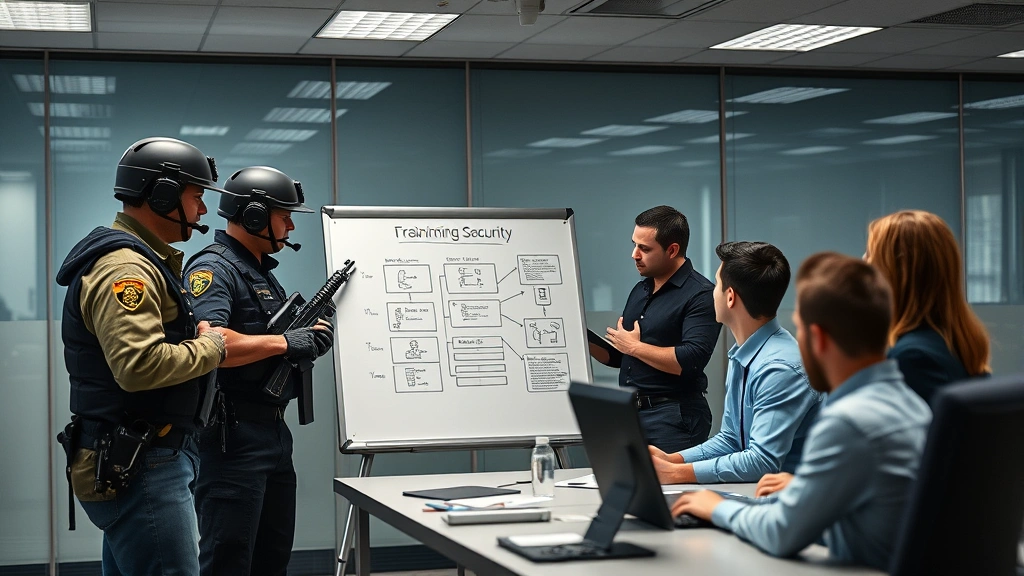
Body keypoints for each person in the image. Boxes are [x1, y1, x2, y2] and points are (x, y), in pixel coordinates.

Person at [671, 252, 931, 571]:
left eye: (801, 330)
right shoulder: (910, 404)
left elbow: (781, 533)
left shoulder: (849, 422)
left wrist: (716, 508)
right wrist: (804, 488)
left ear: (818, 337)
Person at [55, 137, 230, 576]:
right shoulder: (126, 269)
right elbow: (139, 366)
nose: (204, 211)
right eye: (197, 198)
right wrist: (213, 345)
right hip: (144, 463)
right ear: (163, 196)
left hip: (145, 454)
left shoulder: (145, 260)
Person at [184, 166, 334, 576]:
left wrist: (307, 340)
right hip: (232, 440)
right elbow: (211, 345)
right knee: (229, 560)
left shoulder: (260, 271)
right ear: (252, 216)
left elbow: (264, 347)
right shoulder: (213, 270)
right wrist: (287, 342)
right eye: (283, 214)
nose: (289, 224)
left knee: (272, 558)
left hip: (271, 434)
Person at [649, 241, 822, 484]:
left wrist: (677, 474)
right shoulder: (745, 352)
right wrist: (672, 460)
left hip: (795, 507)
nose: (712, 291)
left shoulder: (780, 368)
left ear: (730, 297)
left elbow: (761, 462)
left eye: (717, 284)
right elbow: (731, 439)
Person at [591, 205, 721, 453]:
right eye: (634, 244)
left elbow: (691, 359)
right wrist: (584, 341)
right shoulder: (641, 290)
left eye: (644, 248)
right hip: (631, 414)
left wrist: (635, 347)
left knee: (674, 492)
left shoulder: (701, 294)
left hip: (673, 418)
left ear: (672, 250)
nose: (634, 254)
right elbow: (628, 359)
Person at [866, 209, 991, 405]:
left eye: (872, 255)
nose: (864, 261)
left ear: (899, 272)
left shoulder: (911, 358)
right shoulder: (954, 343)